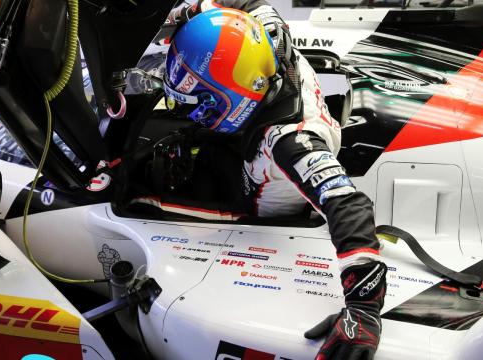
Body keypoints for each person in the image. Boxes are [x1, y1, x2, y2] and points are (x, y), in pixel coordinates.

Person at [164, 1, 387, 359]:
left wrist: (364, 309)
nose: (195, 112)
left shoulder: (291, 144)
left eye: (204, 102)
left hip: (256, 206)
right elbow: (237, 11)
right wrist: (189, 14)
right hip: (253, 138)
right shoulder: (266, 33)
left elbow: (349, 202)